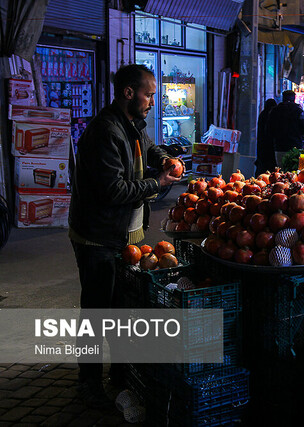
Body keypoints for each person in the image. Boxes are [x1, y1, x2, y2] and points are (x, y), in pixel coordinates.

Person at [68, 64, 182, 408]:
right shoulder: (106, 132)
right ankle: (88, 384)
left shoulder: (130, 125)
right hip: (98, 238)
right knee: (97, 314)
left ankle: (119, 376)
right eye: (148, 94)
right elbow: (113, 190)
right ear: (128, 93)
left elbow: (149, 148)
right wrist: (158, 184)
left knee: (119, 310)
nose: (152, 101)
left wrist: (164, 160)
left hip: (122, 237)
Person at [266, 90, 304, 167]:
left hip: (279, 147)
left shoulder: (274, 111)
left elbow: (268, 130)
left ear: (283, 98)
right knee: (294, 172)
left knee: (280, 172)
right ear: (294, 98)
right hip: (295, 147)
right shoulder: (298, 111)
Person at [255, 98, 277, 175]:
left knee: (262, 165)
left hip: (262, 145)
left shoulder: (262, 114)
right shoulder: (272, 115)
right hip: (270, 146)